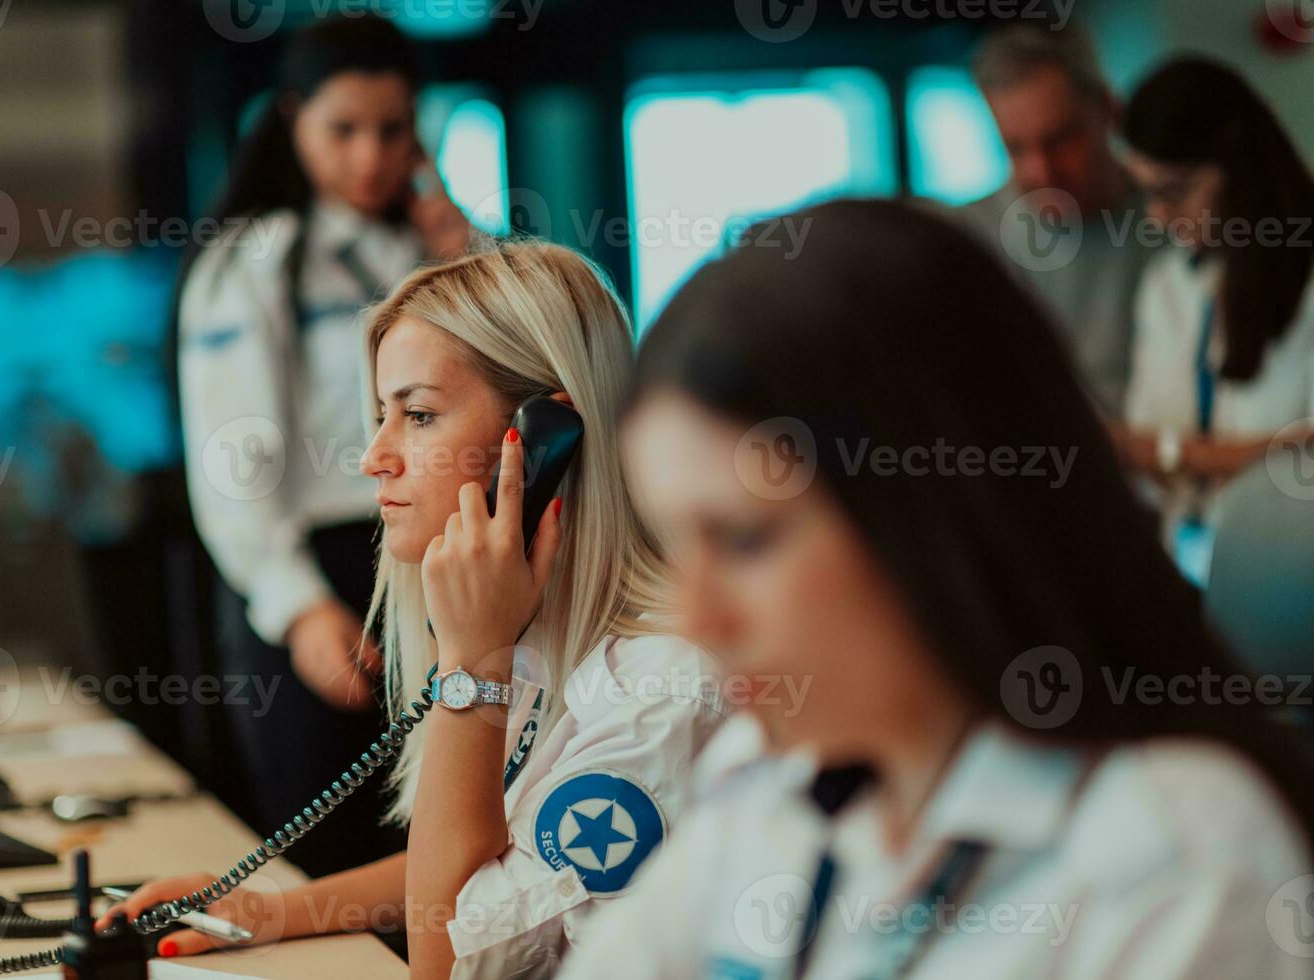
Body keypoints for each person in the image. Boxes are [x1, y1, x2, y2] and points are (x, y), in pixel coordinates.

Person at [558, 200, 1314, 979]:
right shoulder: (766, 781)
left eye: (746, 541)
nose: (696, 618)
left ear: (936, 511)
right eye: (675, 545)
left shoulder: (1180, 860)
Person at [106, 243, 728, 978]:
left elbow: (446, 965)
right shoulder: (543, 633)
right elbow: (500, 867)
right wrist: (268, 910)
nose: (374, 456)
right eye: (379, 415)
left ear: (542, 442)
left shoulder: (659, 694)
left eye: (420, 415)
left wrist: (471, 667)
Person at [177, 16, 473, 876]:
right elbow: (233, 453)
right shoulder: (255, 262)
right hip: (314, 571)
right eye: (342, 130)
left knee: (444, 842)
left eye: (393, 129)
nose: (371, 156)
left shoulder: (444, 247)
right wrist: (297, 603)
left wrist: (461, 259)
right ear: (293, 122)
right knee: (328, 861)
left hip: (435, 562)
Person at [1113, 58, 1314, 541]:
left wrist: (1173, 452)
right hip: (1192, 559)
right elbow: (1146, 465)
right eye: (1146, 194)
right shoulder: (1167, 284)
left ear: (1239, 168)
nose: (1158, 217)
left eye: (1175, 192)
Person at [955, 22, 1158, 415]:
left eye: (1061, 140)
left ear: (1108, 112)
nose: (1042, 173)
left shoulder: (1173, 219)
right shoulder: (972, 241)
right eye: (1015, 148)